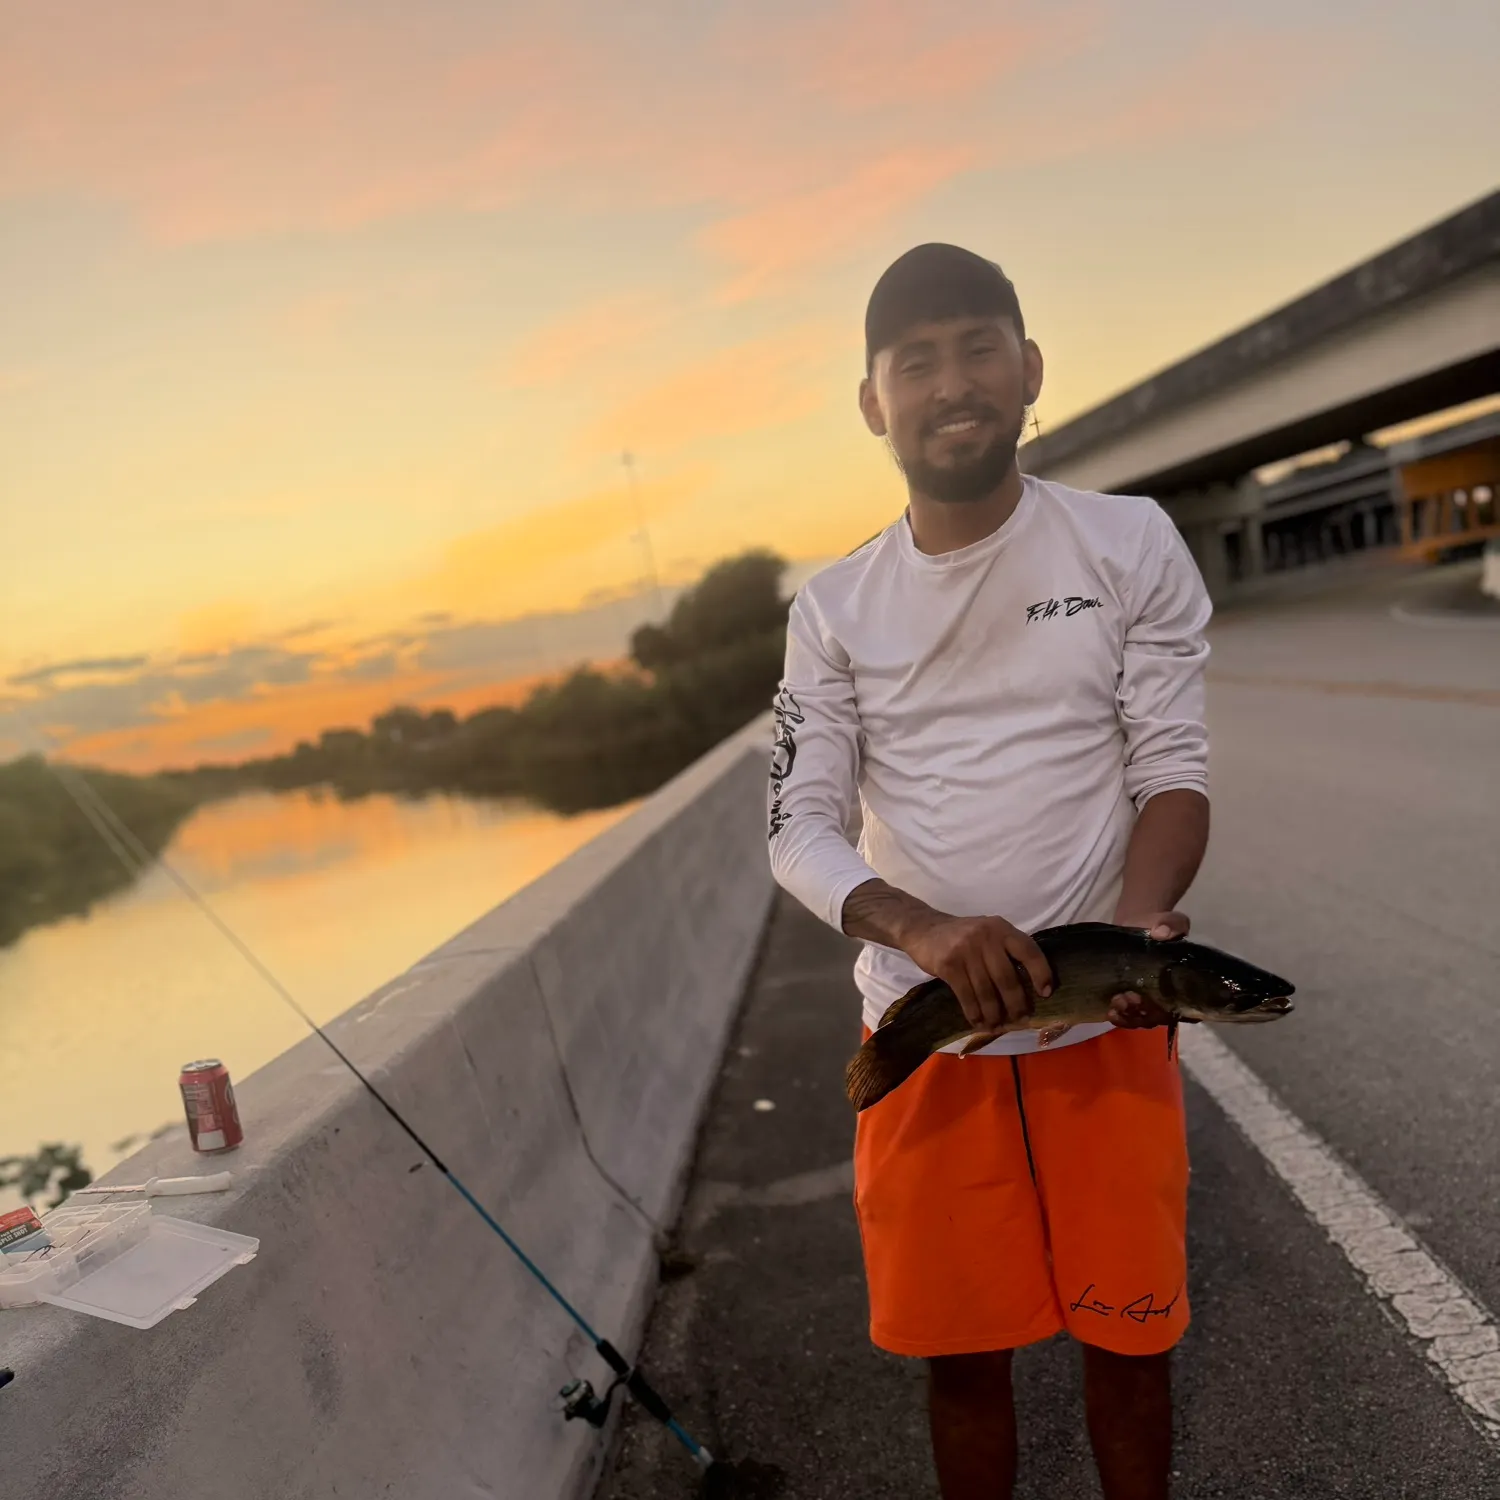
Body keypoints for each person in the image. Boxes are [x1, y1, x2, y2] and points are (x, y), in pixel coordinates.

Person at [767, 243, 1212, 1500]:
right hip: (927, 1037)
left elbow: (1172, 768)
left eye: (979, 349)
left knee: (1133, 1343)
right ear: (873, 402)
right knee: (961, 1363)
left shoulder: (1127, 542)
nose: (952, 383)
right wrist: (924, 931)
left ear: (1030, 370)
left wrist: (1137, 939)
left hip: (1103, 1035)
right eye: (915, 363)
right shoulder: (834, 610)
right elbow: (798, 828)